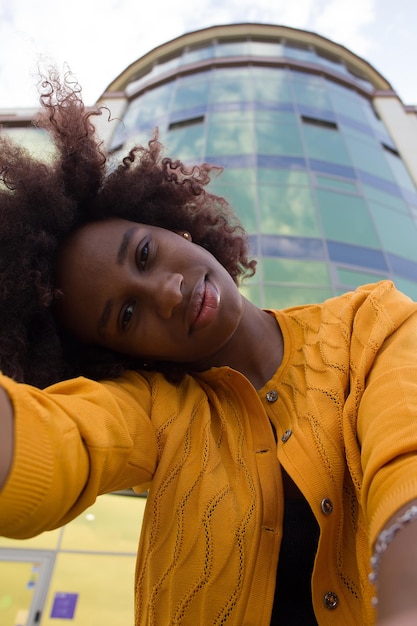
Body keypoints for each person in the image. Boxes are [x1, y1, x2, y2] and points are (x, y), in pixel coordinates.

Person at [1, 69, 417, 626]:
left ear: (176, 228)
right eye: (126, 315)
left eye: (145, 254)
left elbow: (406, 454)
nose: (167, 293)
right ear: (125, 355)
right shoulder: (153, 407)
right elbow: (52, 442)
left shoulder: (370, 322)